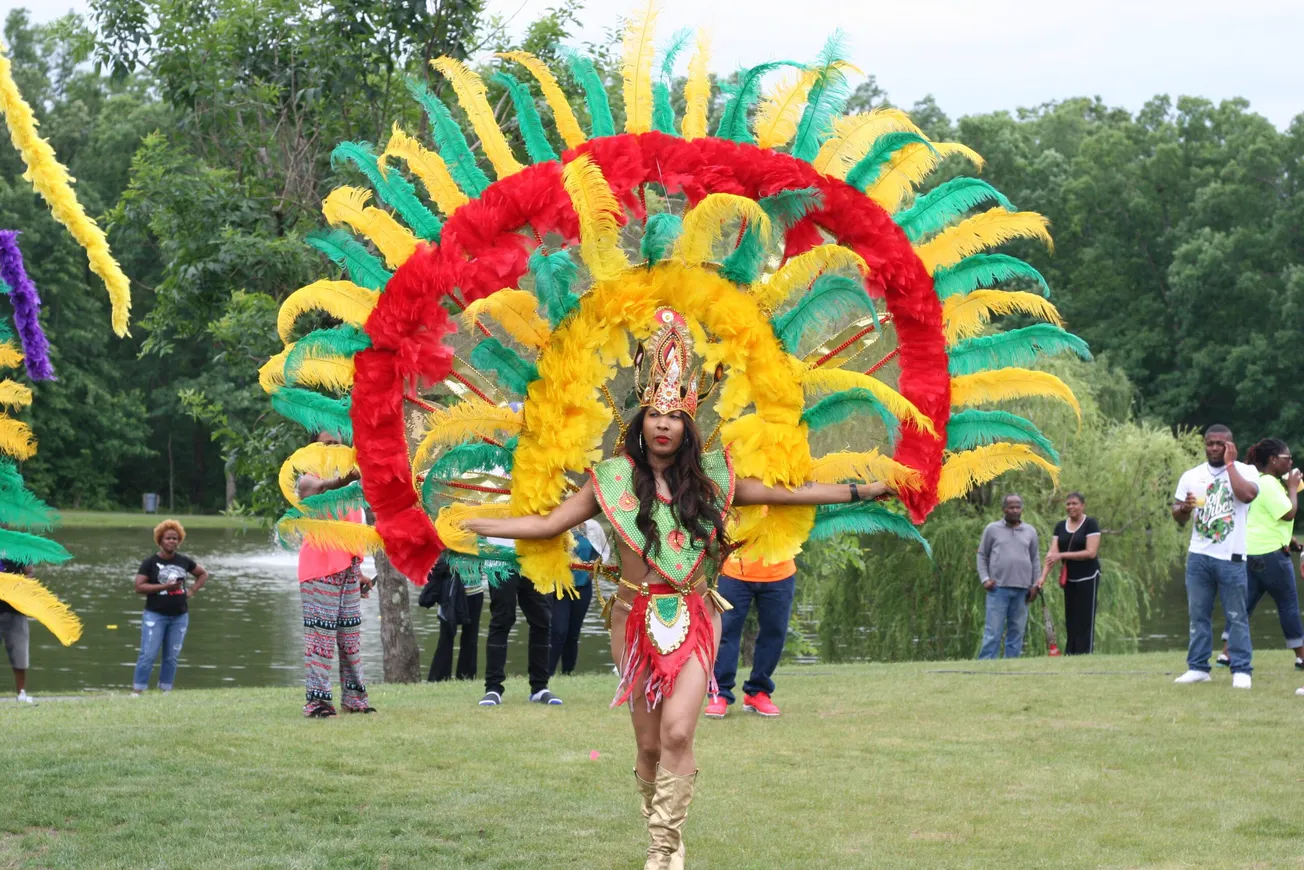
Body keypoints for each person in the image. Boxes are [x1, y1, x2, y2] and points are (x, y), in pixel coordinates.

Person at [462, 309, 890, 869]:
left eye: (674, 417)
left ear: (688, 425)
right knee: (648, 745)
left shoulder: (713, 480)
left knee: (680, 732)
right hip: (632, 620)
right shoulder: (611, 480)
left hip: (695, 614)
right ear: (641, 422)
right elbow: (547, 524)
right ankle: (664, 836)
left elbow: (792, 493)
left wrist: (863, 490)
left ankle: (663, 851)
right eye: (655, 415)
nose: (663, 425)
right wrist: (467, 522)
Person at [1172, 424, 1258, 688]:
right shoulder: (1192, 475)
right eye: (1210, 443)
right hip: (1199, 556)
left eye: (1220, 443)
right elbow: (1178, 516)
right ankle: (1198, 667)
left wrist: (1230, 465)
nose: (1214, 448)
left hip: (1231, 557)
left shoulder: (1246, 471)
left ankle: (1241, 669)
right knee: (1198, 615)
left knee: (1236, 615)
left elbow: (1247, 495)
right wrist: (1184, 509)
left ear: (1231, 446)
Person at [297, 430, 375, 717]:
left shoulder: (352, 484)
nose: (331, 448)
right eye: (325, 443)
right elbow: (320, 488)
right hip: (319, 570)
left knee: (350, 638)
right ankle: (317, 703)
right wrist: (345, 479)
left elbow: (352, 530)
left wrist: (359, 571)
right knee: (321, 639)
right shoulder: (307, 478)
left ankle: (355, 699)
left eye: (337, 444)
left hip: (348, 571)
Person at [1221, 439, 1303, 671]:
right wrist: (1293, 488)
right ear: (1273, 460)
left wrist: (1290, 540)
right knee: (1288, 604)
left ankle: (1226, 653)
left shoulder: (1256, 481)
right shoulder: (1268, 483)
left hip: (1252, 553)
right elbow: (1288, 513)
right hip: (1272, 556)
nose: (1291, 462)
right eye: (1287, 458)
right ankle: (1301, 655)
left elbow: (1263, 519)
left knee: (1244, 606)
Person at [704, 551, 796, 718]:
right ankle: (720, 693)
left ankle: (758, 691)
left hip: (780, 571)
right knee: (725, 632)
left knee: (774, 633)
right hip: (734, 569)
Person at [131, 519, 209, 695]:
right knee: (148, 654)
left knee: (171, 657)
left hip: (179, 616)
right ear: (160, 540)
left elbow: (203, 574)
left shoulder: (184, 561)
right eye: (168, 538)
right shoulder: (150, 562)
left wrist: (191, 591)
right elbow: (139, 587)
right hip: (155, 615)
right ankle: (138, 690)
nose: (172, 541)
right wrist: (165, 587)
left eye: (175, 538)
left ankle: (165, 690)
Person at [977, 494, 1041, 659]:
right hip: (998, 588)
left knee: (1017, 630)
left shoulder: (1030, 531)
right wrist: (985, 579)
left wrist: (1036, 584)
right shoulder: (992, 529)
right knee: (993, 631)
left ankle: (1011, 664)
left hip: (1023, 590)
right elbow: (982, 555)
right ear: (1004, 509)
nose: (1014, 510)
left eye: (1017, 507)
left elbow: (1035, 559)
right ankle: (986, 664)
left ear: (1022, 509)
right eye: (1011, 507)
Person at [1039, 492, 1102, 655]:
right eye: (1068, 504)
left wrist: (1062, 555)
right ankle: (1071, 652)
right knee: (1071, 617)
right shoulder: (1060, 526)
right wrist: (1043, 577)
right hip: (1069, 578)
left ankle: (1085, 652)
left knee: (1085, 617)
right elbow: (1052, 554)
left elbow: (1091, 553)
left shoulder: (1090, 524)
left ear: (1083, 505)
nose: (1070, 507)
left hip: (1088, 576)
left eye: (1074, 503)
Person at [549, 519, 609, 677]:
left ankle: (567, 674)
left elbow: (603, 551)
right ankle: (546, 674)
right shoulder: (555, 523)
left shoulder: (592, 526)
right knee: (558, 631)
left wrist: (596, 565)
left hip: (583, 586)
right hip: (559, 588)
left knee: (573, 633)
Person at [426, 553, 485, 682]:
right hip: (450, 591)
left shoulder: (480, 542)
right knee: (446, 636)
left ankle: (466, 677)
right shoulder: (447, 542)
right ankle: (439, 678)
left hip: (474, 592)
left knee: (470, 637)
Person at [0, 560, 36, 704]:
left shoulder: (19, 550)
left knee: (19, 652)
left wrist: (17, 584)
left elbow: (30, 573)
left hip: (15, 610)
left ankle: (21, 693)